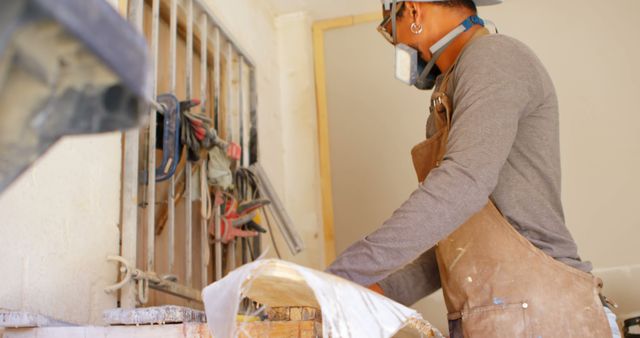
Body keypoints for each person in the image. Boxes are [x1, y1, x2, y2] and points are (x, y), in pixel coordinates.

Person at [325, 1, 621, 336]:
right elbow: (458, 242)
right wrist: (377, 290)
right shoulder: (447, 93)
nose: (400, 46)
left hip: (544, 313)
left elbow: (461, 184)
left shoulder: (494, 57)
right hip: (499, 316)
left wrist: (337, 277)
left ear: (414, 10)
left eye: (394, 31)